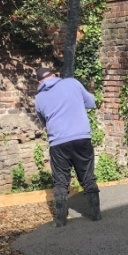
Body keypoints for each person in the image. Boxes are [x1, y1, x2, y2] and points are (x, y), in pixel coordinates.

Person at [34, 67, 101, 227]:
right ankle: (95, 214)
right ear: (55, 75)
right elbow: (91, 102)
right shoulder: (73, 83)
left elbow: (44, 123)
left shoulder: (39, 98)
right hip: (81, 138)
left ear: (39, 82)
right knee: (87, 175)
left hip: (58, 143)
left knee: (60, 180)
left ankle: (61, 220)